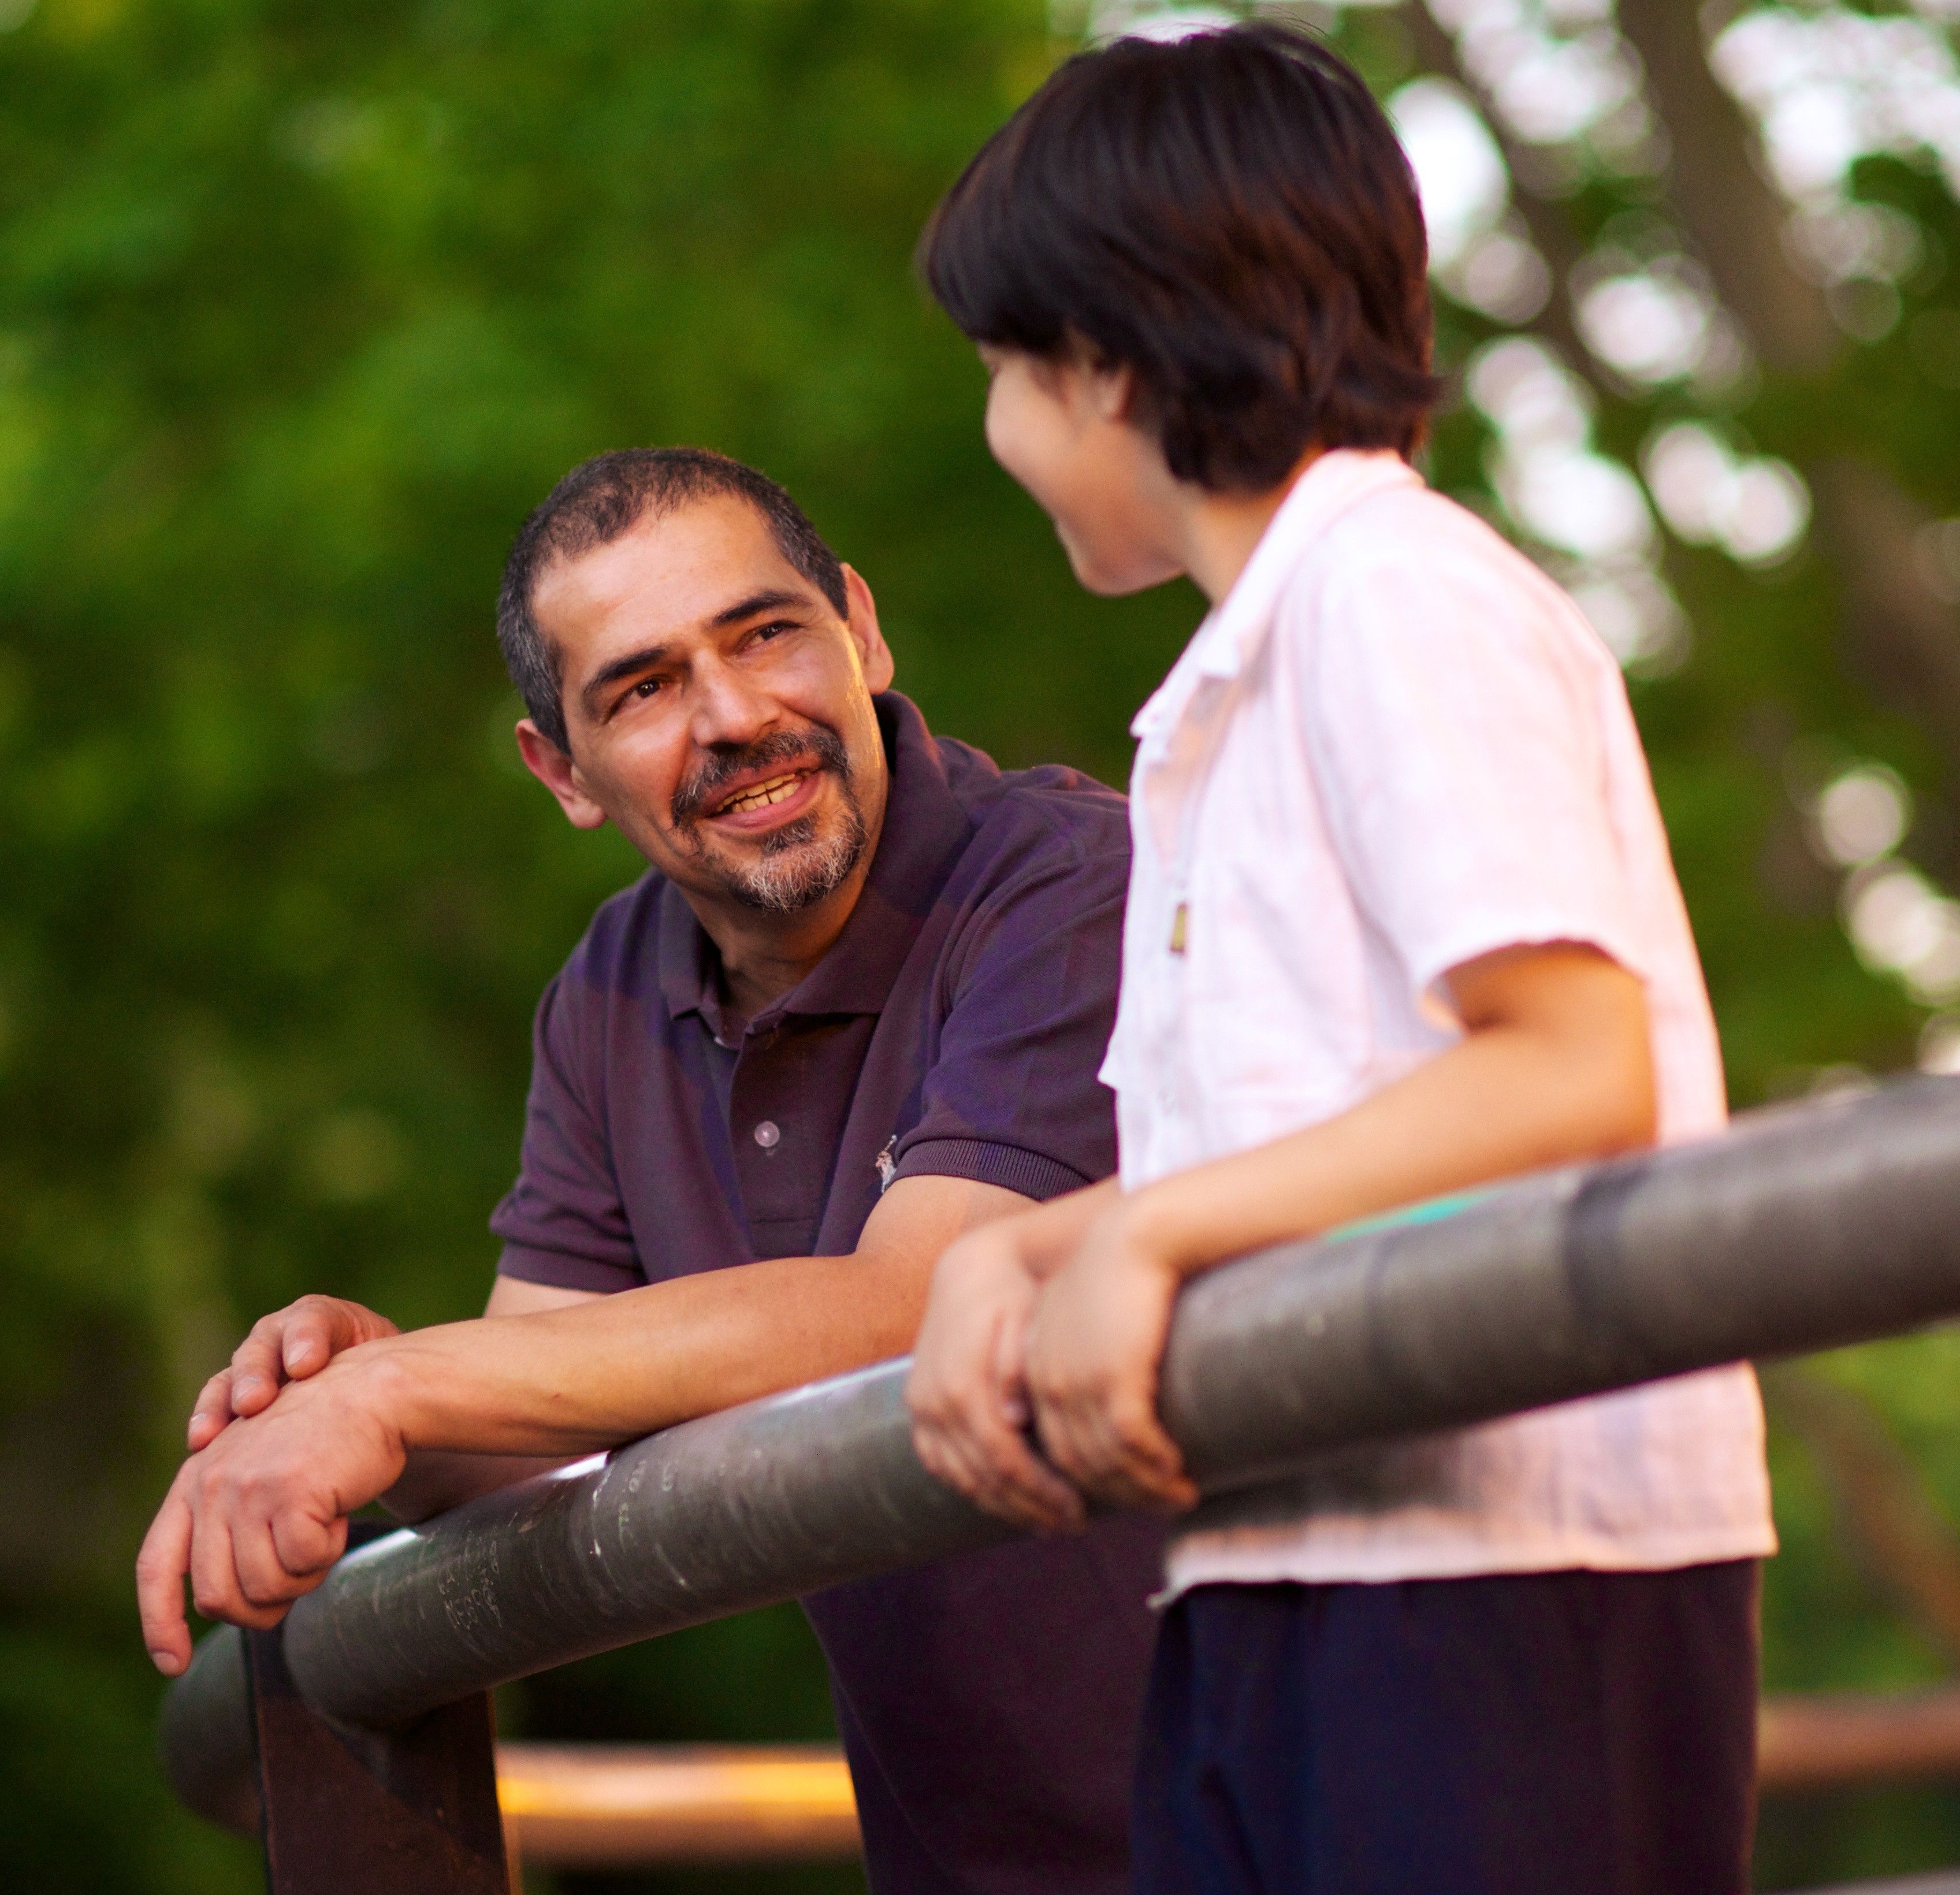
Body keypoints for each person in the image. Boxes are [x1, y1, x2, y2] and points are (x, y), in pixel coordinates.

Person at [901, 25, 1775, 1895]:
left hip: (1512, 1567)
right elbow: (1306, 1144)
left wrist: (1136, 1235)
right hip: (1275, 1550)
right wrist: (1026, 1245)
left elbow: (1564, 1064)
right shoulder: (1222, 698)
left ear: (1107, 364)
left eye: (998, 369)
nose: (990, 430)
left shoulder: (1396, 595)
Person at [135, 447, 1166, 1895]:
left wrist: (405, 1387)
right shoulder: (612, 985)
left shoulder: (1072, 881)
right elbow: (533, 1419)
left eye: (766, 633)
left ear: (861, 629)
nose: (738, 716)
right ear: (558, 769)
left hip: (1299, 1812)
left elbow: (919, 1305)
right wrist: (357, 1387)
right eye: (643, 687)